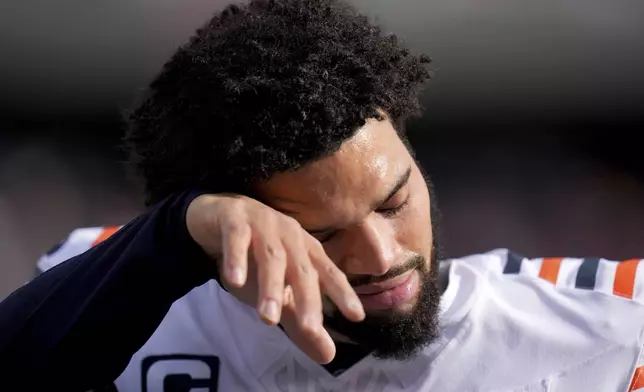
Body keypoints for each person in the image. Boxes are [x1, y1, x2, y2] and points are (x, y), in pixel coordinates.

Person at [1, 0, 643, 390]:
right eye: (322, 235)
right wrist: (180, 230)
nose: (380, 254)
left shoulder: (609, 321)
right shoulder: (126, 302)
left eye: (393, 202)